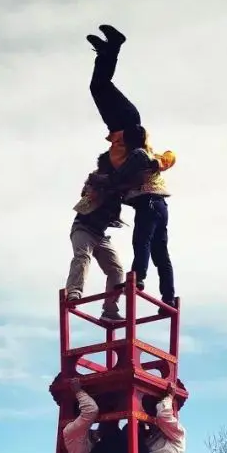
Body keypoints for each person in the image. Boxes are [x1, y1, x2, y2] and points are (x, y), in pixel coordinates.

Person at [85, 24, 176, 308]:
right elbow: (163, 158)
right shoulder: (127, 162)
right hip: (122, 125)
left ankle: (111, 49)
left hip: (126, 124)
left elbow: (160, 158)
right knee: (98, 86)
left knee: (98, 87)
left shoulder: (130, 159)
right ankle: (109, 50)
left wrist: (105, 185)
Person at [66, 155, 126, 321]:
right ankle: (74, 292)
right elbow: (88, 191)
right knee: (82, 256)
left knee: (116, 269)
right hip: (83, 228)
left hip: (100, 234)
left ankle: (110, 310)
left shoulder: (121, 184)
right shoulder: (98, 177)